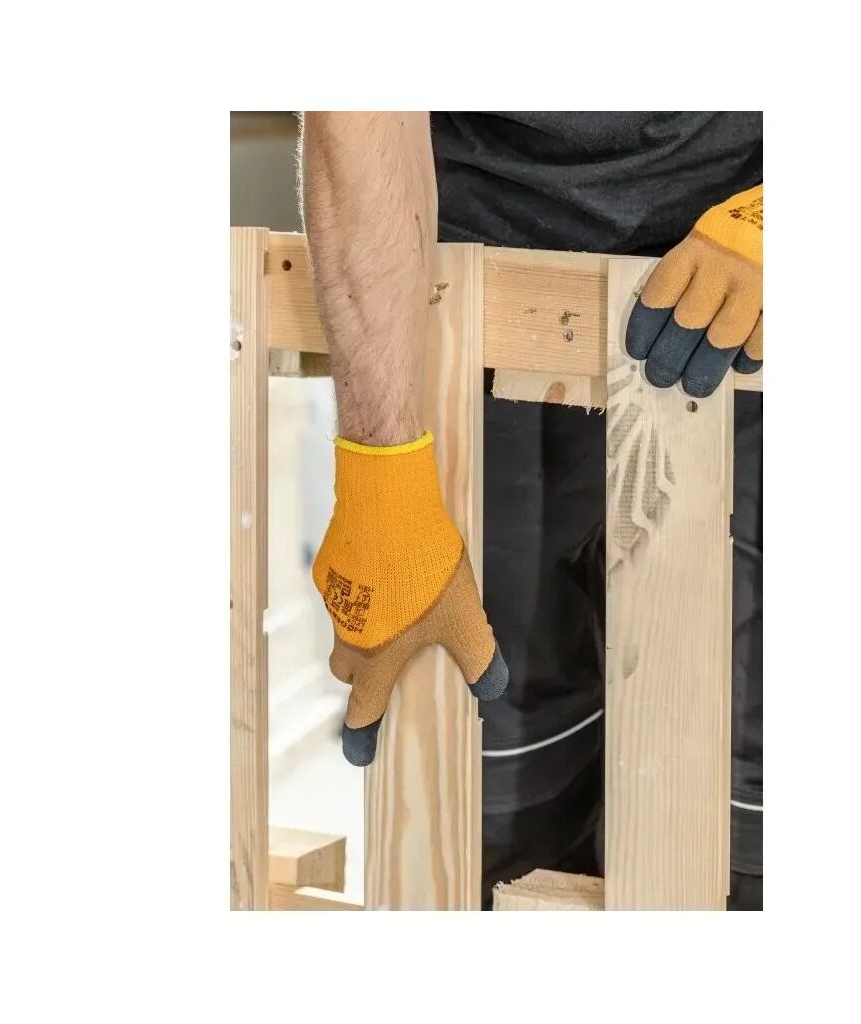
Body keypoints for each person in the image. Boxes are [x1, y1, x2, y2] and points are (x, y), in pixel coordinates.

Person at [301, 112, 763, 910]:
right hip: (472, 282)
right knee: (489, 781)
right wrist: (382, 484)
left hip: (742, 299)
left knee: (740, 805)